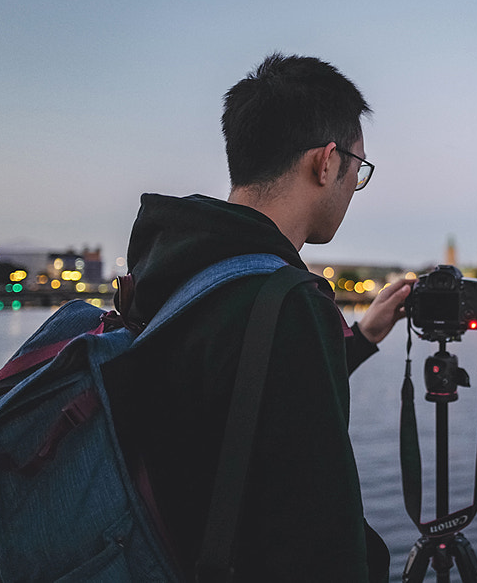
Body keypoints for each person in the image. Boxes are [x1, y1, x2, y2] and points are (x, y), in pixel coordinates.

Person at [103, 53, 410, 582]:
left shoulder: (174, 263)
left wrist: (359, 338)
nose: (353, 186)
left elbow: (237, 393)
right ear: (326, 162)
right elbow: (322, 542)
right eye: (357, 168)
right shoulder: (285, 300)